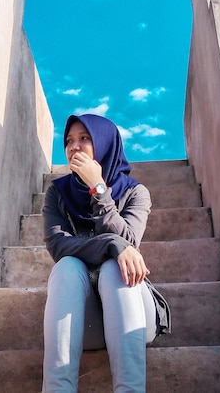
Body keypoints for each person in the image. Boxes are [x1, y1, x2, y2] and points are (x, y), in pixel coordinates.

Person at [42, 114, 170, 392]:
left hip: (132, 316)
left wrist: (98, 189)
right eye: (69, 141)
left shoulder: (135, 193)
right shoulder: (57, 193)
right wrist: (112, 245)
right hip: (82, 324)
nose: (74, 147)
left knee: (115, 268)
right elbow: (58, 245)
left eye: (84, 139)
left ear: (104, 143)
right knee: (66, 267)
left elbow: (129, 241)